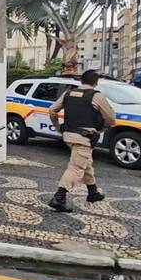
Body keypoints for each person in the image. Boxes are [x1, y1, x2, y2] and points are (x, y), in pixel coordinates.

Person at [47, 70, 116, 213]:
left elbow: (52, 110)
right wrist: (101, 129)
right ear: (96, 82)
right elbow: (110, 118)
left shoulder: (69, 93)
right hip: (84, 137)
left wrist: (57, 126)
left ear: (81, 81)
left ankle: (93, 192)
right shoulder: (97, 96)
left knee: (85, 162)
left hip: (69, 135)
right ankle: (59, 197)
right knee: (76, 167)